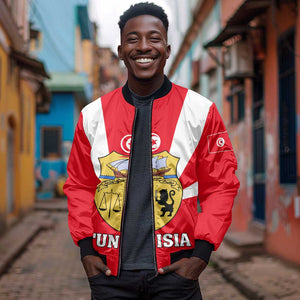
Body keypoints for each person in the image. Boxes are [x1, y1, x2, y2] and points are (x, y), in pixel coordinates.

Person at [64, 2, 240, 299]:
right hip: (110, 276)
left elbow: (221, 185)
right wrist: (85, 250)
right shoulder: (93, 116)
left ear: (167, 49)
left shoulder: (200, 111)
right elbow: (79, 185)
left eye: (154, 38)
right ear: (120, 51)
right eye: (133, 39)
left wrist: (201, 253)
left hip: (176, 273)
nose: (143, 47)